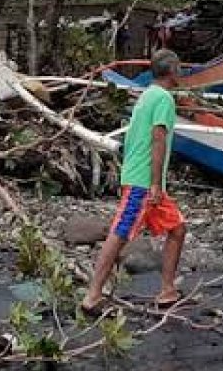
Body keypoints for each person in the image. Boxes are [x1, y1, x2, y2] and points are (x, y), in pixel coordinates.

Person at [81, 49, 188, 315]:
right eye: (179, 68)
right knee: (120, 233)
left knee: (177, 229)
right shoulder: (162, 98)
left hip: (142, 178)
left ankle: (167, 290)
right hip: (144, 181)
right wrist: (155, 183)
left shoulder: (147, 95)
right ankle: (92, 295)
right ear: (172, 71)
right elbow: (158, 138)